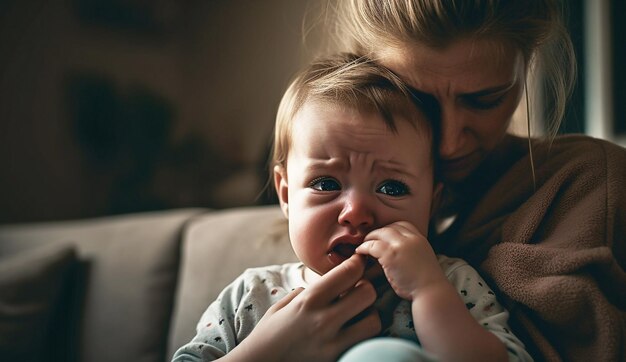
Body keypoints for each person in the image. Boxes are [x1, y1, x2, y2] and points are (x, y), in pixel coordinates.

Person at [173, 53, 533, 361]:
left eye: (392, 187)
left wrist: (428, 291)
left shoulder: (451, 283)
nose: (357, 212)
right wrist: (264, 352)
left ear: (431, 204)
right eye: (326, 184)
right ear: (285, 195)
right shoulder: (250, 295)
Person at [324, 1, 626, 360]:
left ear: (526, 66)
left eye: (485, 100)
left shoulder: (588, 182)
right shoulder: (331, 217)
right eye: (418, 101)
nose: (451, 144)